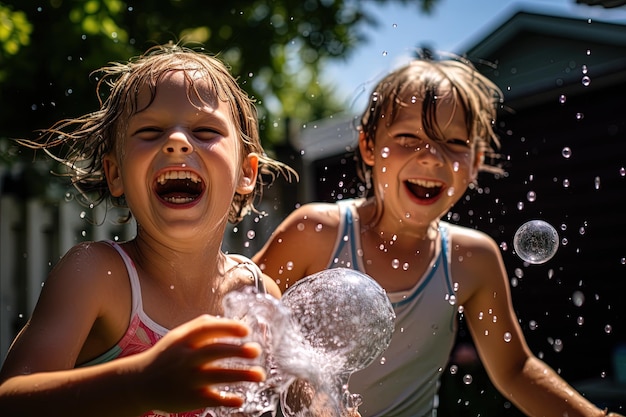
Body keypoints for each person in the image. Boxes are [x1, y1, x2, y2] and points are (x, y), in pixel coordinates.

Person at [254, 56, 622, 417]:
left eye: (455, 143)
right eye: (408, 137)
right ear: (369, 147)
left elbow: (515, 370)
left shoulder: (472, 258)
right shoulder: (316, 232)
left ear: (475, 162)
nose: (432, 157)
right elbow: (239, 316)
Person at [0, 43, 296, 417]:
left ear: (246, 173)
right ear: (115, 173)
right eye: (150, 130)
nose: (176, 141)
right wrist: (137, 385)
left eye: (205, 130)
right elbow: (9, 398)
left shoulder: (257, 293)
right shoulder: (98, 276)